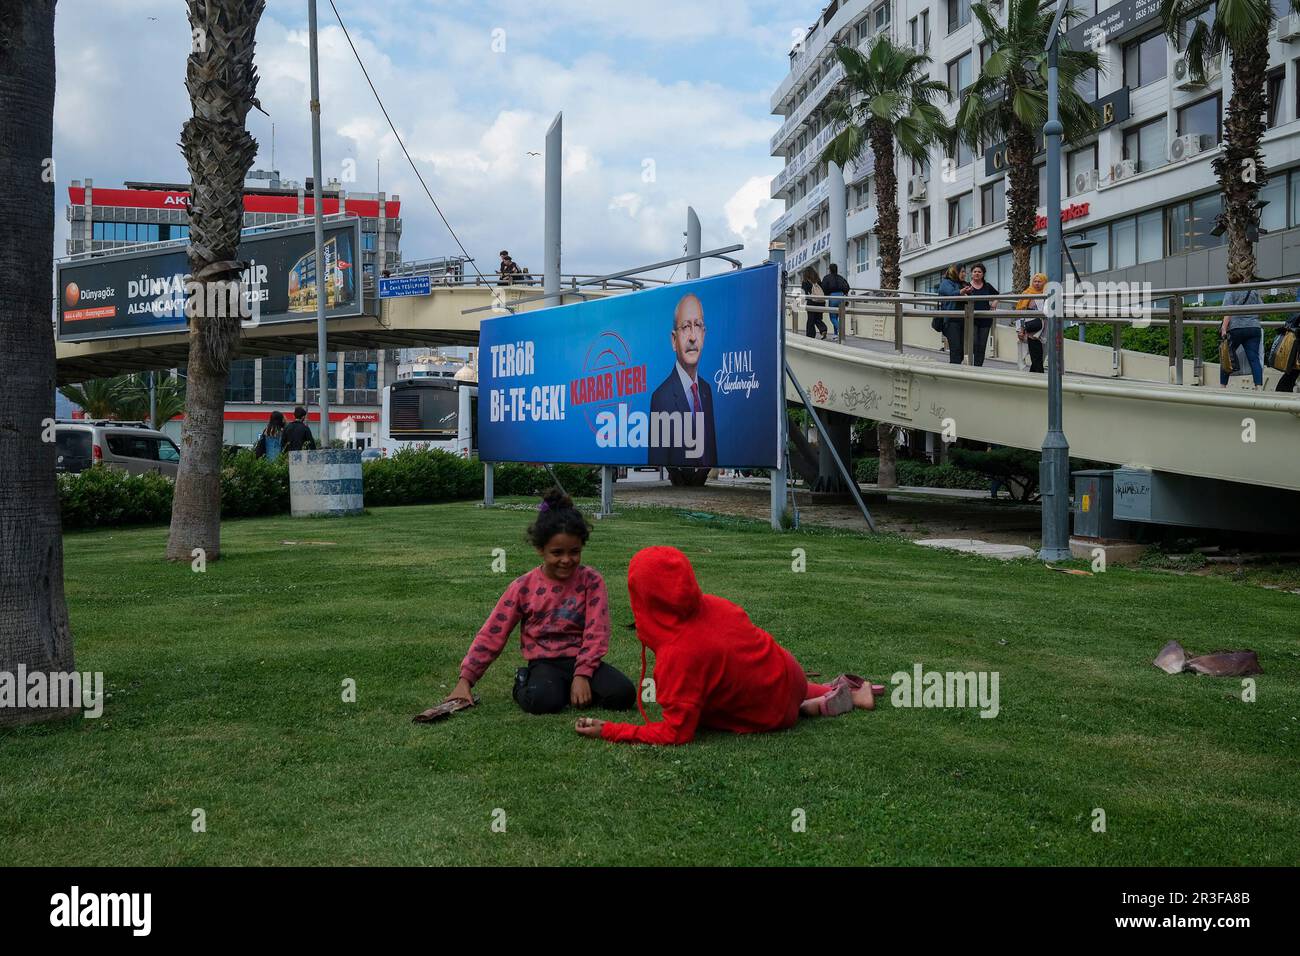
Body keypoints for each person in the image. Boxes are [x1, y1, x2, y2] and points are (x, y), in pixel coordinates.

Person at [574, 546, 880, 745]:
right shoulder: (717, 605)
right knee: (752, 675)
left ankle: (812, 706)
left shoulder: (678, 654)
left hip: (773, 714)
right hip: (790, 674)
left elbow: (676, 732)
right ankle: (835, 694)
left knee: (714, 698)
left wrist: (611, 730)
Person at [445, 489, 636, 714]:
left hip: (583, 660)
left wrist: (583, 674)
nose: (566, 560)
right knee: (542, 701)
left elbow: (597, 632)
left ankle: (572, 687)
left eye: (574, 552)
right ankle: (524, 682)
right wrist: (465, 680)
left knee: (623, 694)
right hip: (545, 663)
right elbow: (493, 633)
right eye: (557, 552)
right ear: (540, 549)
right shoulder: (522, 587)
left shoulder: (591, 581)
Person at [648, 293, 718, 468]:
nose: (692, 337)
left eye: (698, 326)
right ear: (674, 340)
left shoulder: (706, 391)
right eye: (686, 327)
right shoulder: (661, 398)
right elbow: (658, 461)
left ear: (704, 334)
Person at [1220, 272, 1264, 389]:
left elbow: (1227, 311)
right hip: (1254, 328)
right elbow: (1262, 308)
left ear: (1230, 282)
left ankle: (1223, 386)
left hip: (1236, 328)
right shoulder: (1253, 290)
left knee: (1227, 355)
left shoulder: (1231, 290)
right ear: (1243, 279)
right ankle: (1258, 387)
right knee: (1254, 358)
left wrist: (1224, 328)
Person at [952, 262, 998, 367]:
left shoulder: (987, 286)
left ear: (983, 274)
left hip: (985, 320)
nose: (977, 273)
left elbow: (997, 295)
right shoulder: (965, 285)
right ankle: (970, 366)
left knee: (981, 346)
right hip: (971, 319)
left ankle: (978, 367)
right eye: (975, 271)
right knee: (973, 344)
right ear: (971, 274)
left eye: (979, 272)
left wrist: (994, 303)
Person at [1015, 272, 1048, 374]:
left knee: (1039, 356)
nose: (1037, 283)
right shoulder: (1027, 293)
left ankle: (1033, 376)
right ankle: (1039, 377)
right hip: (1031, 329)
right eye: (1035, 281)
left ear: (1044, 283)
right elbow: (1020, 313)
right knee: (1036, 355)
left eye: (1039, 281)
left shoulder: (1047, 294)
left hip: (1044, 329)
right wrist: (1020, 329)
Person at [936, 264, 965, 356]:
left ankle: (957, 368)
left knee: (962, 350)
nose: (964, 274)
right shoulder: (946, 283)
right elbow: (950, 293)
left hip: (964, 320)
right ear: (955, 272)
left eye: (965, 272)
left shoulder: (961, 283)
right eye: (962, 272)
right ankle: (955, 368)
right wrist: (961, 292)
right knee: (955, 349)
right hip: (951, 320)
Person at [820, 263, 851, 340]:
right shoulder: (841, 278)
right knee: (837, 316)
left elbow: (823, 287)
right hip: (841, 297)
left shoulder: (827, 278)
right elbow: (847, 287)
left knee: (833, 317)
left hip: (833, 296)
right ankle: (835, 334)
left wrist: (827, 294)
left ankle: (841, 331)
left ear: (830, 269)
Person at [800, 266, 827, 339]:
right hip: (821, 302)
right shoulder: (818, 280)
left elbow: (804, 294)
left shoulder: (805, 282)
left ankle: (810, 336)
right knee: (818, 319)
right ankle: (823, 329)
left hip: (812, 302)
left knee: (811, 320)